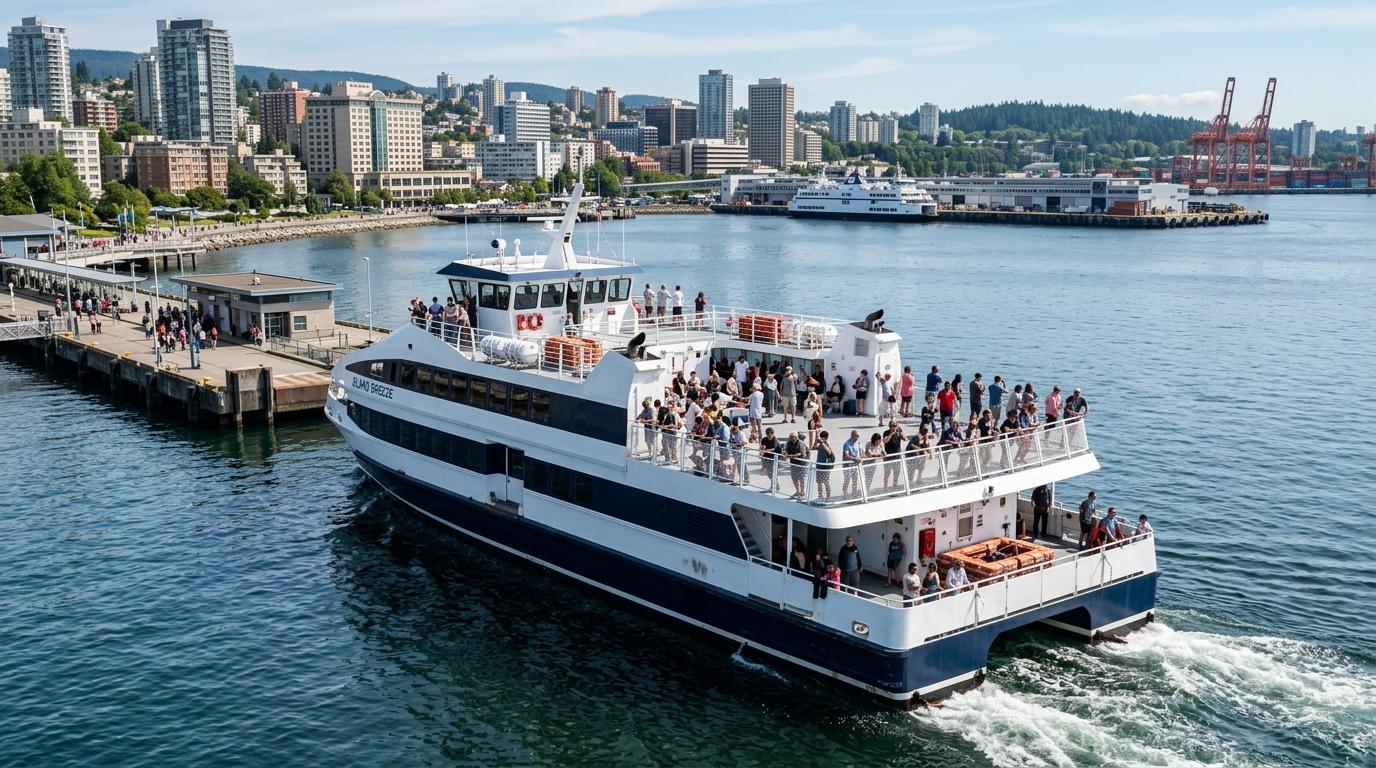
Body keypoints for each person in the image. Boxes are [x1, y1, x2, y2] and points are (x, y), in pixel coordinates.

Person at [785, 431, 809, 497]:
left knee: (801, 478)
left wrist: (792, 456)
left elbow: (802, 453)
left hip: (802, 463)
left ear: (797, 438)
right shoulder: (788, 443)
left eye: (795, 437)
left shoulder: (800, 443)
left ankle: (802, 492)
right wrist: (785, 454)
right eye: (792, 437)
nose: (793, 439)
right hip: (793, 463)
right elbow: (786, 450)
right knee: (794, 478)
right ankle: (797, 491)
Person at [813, 430, 835, 499]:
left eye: (822, 438)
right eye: (821, 437)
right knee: (819, 482)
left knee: (826, 482)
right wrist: (816, 439)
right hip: (819, 466)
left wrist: (822, 442)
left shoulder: (827, 445)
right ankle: (820, 496)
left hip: (825, 467)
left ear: (826, 438)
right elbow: (813, 447)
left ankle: (828, 496)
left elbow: (829, 452)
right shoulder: (820, 445)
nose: (821, 439)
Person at [842, 430, 863, 497]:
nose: (857, 437)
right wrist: (855, 459)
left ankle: (854, 494)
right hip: (848, 466)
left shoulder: (859, 443)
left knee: (855, 480)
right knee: (847, 480)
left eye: (858, 436)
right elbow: (846, 455)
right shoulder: (847, 444)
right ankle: (844, 494)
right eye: (856, 435)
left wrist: (860, 458)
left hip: (856, 466)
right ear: (852, 435)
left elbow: (863, 453)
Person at [759, 427, 780, 491]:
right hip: (766, 457)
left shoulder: (775, 440)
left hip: (774, 458)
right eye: (767, 433)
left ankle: (773, 486)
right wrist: (762, 448)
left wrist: (768, 450)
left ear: (773, 433)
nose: (769, 434)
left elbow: (774, 448)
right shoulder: (764, 439)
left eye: (771, 433)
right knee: (768, 473)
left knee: (773, 472)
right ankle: (776, 484)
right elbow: (762, 446)